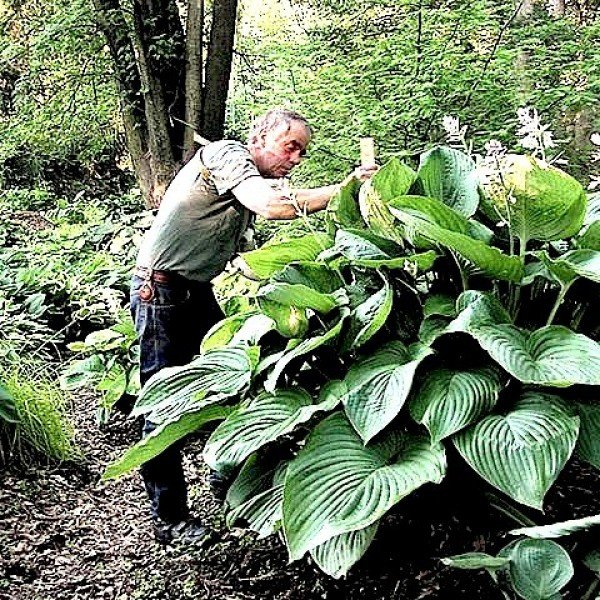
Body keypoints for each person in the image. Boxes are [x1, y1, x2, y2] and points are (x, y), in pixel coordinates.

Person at [130, 108, 376, 546]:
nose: (297, 158)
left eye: (303, 151)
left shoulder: (246, 184)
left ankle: (229, 480)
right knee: (162, 407)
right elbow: (273, 205)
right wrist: (345, 188)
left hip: (194, 292)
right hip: (161, 293)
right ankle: (169, 518)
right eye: (291, 146)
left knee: (239, 380)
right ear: (261, 137)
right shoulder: (225, 155)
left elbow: (250, 253)